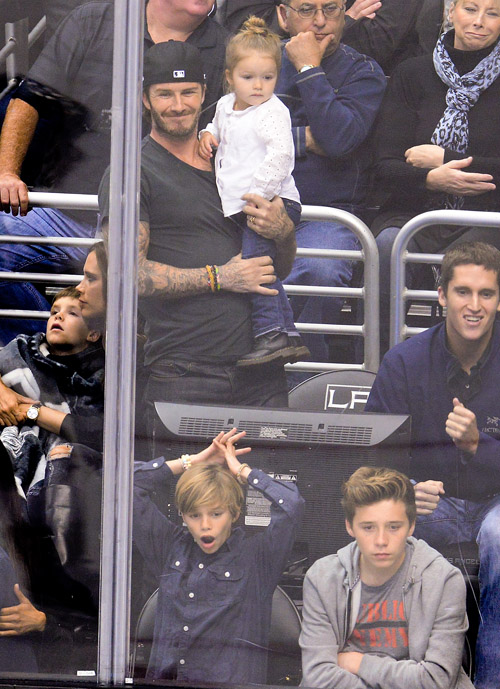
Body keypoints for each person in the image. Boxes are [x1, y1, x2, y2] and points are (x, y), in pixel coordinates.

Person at [0, 0, 227, 345]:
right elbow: (30, 98)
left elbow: (247, 124)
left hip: (162, 230)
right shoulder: (92, 21)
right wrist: (6, 173)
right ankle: (52, 349)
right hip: (69, 215)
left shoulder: (226, 46)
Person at [99, 40, 297, 432]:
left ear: (205, 93)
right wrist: (221, 277)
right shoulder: (130, 172)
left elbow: (280, 268)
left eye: (188, 92)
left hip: (261, 372)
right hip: (184, 371)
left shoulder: (235, 159)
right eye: (164, 94)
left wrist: (284, 232)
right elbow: (126, 275)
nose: (178, 105)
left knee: (269, 475)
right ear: (144, 98)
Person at [366, 242, 500, 689]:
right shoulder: (404, 362)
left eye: (486, 293)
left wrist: (478, 444)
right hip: (429, 504)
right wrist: (404, 490)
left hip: (496, 503)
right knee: (387, 520)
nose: (474, 305)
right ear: (442, 295)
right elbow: (371, 461)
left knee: (499, 535)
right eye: (463, 292)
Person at [372, 0, 500, 355]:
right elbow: (384, 165)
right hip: (414, 210)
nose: (479, 21)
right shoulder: (412, 73)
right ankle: (383, 364)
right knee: (387, 246)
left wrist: (446, 160)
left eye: (493, 13)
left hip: (487, 216)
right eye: (471, 9)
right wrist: (431, 179)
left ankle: (468, 367)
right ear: (451, 12)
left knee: (471, 258)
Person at [133, 427, 304, 684]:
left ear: (234, 514)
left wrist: (242, 471)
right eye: (194, 515)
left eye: (216, 514)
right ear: (182, 515)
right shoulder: (170, 547)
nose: (205, 525)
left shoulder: (258, 558)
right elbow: (126, 485)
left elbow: (292, 505)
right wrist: (192, 462)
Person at [275, 0, 386, 372]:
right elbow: (231, 134)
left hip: (327, 217)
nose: (321, 21)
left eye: (332, 9)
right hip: (255, 208)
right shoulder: (259, 59)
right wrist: (305, 138)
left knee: (320, 270)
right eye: (307, 9)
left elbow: (338, 139)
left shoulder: (363, 71)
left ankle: (303, 378)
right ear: (283, 16)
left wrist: (309, 68)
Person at [300, 466, 473, 689]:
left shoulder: (444, 580)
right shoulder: (322, 579)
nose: (381, 540)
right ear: (349, 527)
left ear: (411, 525)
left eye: (393, 527)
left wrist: (359, 663)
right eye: (368, 528)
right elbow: (318, 677)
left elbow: (436, 680)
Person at [199, 16, 309, 365]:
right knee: (265, 267)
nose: (259, 86)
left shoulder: (273, 112)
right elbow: (216, 125)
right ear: (229, 77)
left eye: (268, 77)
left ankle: (270, 334)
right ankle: (288, 333)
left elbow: (281, 155)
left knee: (255, 266)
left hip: (271, 202)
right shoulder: (225, 105)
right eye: (248, 77)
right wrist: (206, 134)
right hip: (244, 204)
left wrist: (259, 196)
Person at [0, 286, 104, 488]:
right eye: (54, 311)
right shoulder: (22, 350)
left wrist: (30, 411)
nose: (59, 316)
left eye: (72, 313)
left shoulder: (99, 378)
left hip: (63, 473)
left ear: (93, 334)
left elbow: (96, 433)